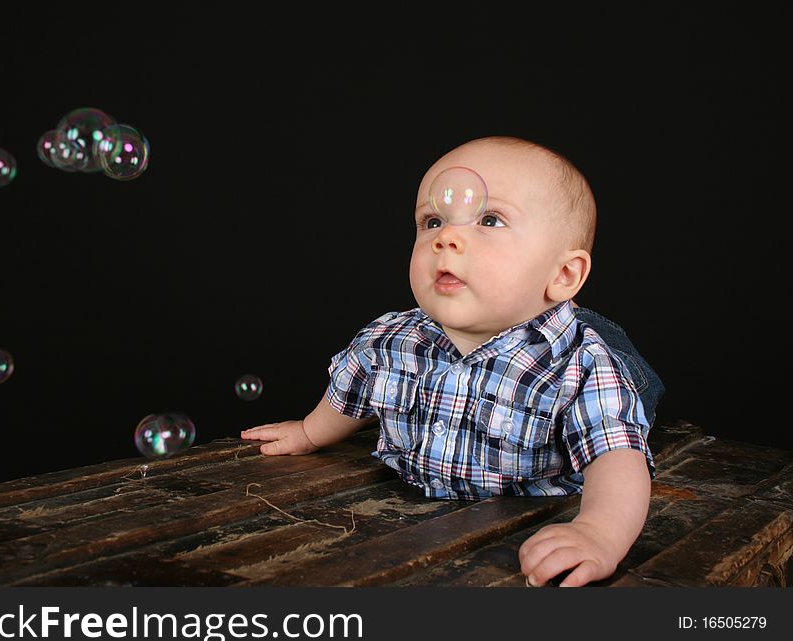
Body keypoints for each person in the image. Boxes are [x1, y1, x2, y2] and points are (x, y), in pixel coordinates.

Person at [241, 136, 664, 587]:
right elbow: (351, 390)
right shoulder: (391, 338)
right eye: (432, 221)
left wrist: (597, 533)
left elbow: (618, 465)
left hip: (579, 368)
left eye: (490, 219)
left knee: (626, 396)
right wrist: (309, 431)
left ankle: (594, 339)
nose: (447, 238)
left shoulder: (581, 367)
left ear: (562, 274)